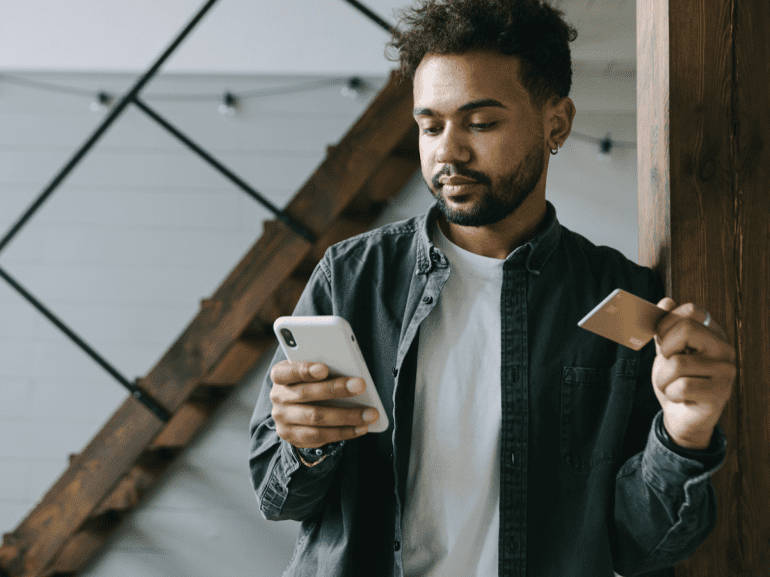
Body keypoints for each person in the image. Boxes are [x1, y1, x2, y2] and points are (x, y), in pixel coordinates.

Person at [248, 1, 736, 575]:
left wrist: (685, 432)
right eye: (430, 126)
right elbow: (279, 499)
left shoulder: (623, 293)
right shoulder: (352, 277)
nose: (447, 152)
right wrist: (305, 443)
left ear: (556, 123)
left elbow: (641, 546)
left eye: (480, 123)